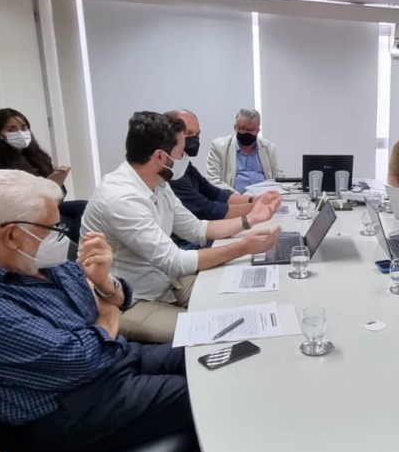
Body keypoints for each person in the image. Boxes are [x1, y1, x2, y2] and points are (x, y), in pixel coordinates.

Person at [0, 169, 254, 452]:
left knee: (228, 356)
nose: (60, 235)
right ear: (12, 235)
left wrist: (105, 285)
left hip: (113, 362)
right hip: (64, 412)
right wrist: (107, 316)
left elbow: (116, 299)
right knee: (211, 393)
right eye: (52, 227)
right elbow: (80, 358)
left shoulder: (28, 258)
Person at [81, 111, 282, 343]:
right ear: (160, 156)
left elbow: (197, 229)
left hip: (166, 282)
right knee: (217, 331)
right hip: (131, 299)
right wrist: (243, 247)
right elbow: (175, 261)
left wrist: (251, 219)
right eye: (180, 151)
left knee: (240, 302)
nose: (184, 156)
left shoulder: (158, 182)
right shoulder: (121, 199)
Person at [0, 107, 87, 242]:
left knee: (83, 206)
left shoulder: (36, 155)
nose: (20, 133)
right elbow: (7, 201)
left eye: (24, 128)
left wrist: (57, 182)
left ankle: (80, 248)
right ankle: (78, 250)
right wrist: (41, 191)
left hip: (46, 207)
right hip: (24, 216)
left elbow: (59, 196)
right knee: (70, 225)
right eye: (12, 129)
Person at [169, 109, 276, 223]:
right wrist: (255, 207)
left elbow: (214, 193)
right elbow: (205, 209)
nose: (195, 139)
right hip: (199, 227)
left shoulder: (184, 164)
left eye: (197, 134)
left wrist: (254, 200)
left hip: (205, 224)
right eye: (189, 133)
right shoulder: (172, 173)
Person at [207, 109, 279, 193]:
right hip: (234, 198)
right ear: (235, 128)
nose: (247, 133)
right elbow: (213, 180)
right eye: (243, 129)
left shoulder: (269, 147)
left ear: (258, 131)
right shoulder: (219, 146)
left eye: (251, 130)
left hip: (264, 197)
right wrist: (239, 198)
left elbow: (277, 177)